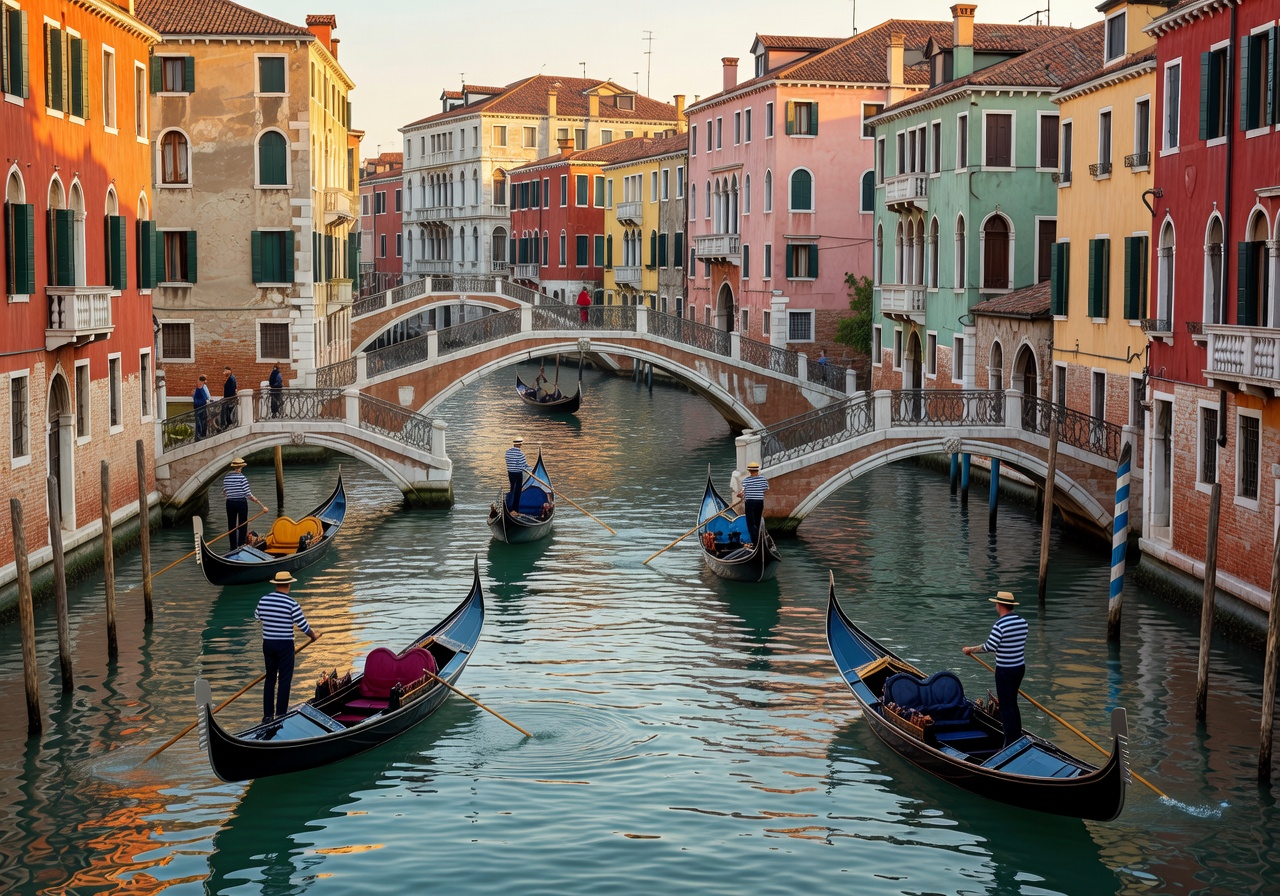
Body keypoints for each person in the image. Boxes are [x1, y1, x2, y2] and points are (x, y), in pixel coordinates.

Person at [962, 591, 1029, 747]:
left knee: (1006, 705)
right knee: (1012, 702)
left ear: (999, 605)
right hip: (1019, 668)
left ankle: (1011, 741)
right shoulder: (1023, 622)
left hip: (1005, 670)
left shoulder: (1000, 625)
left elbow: (990, 646)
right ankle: (1017, 735)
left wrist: (970, 649)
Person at [255, 571, 320, 724]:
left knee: (270, 679)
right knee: (284, 679)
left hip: (268, 644)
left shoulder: (263, 600)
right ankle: (281, 715)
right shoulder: (292, 604)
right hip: (285, 645)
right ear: (289, 584)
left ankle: (268, 716)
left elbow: (257, 617)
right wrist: (313, 636)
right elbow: (303, 626)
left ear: (276, 584)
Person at [223, 457, 266, 551]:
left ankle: (233, 547)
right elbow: (247, 494)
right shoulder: (242, 478)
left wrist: (231, 493)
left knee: (231, 526)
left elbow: (225, 491)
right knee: (243, 525)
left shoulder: (226, 477)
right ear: (241, 467)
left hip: (230, 503)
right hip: (241, 503)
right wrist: (257, 501)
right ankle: (241, 546)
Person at [738, 461, 769, 545]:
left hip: (749, 502)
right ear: (757, 470)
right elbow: (765, 489)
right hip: (759, 502)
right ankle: (759, 540)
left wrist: (741, 494)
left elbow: (743, 490)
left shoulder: (745, 480)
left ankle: (755, 542)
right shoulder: (763, 480)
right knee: (757, 521)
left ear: (749, 471)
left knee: (751, 523)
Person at [504, 436, 531, 511]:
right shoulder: (520, 454)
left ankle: (509, 506)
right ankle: (515, 509)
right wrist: (531, 470)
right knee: (518, 491)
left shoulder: (507, 452)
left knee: (512, 488)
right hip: (518, 473)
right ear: (520, 445)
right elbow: (524, 465)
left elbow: (509, 462)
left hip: (510, 473)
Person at [192, 375, 211, 439]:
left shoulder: (200, 388)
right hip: (200, 407)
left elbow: (205, 397)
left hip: (200, 407)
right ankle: (201, 435)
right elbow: (206, 397)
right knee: (201, 421)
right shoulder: (201, 388)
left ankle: (201, 435)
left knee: (201, 421)